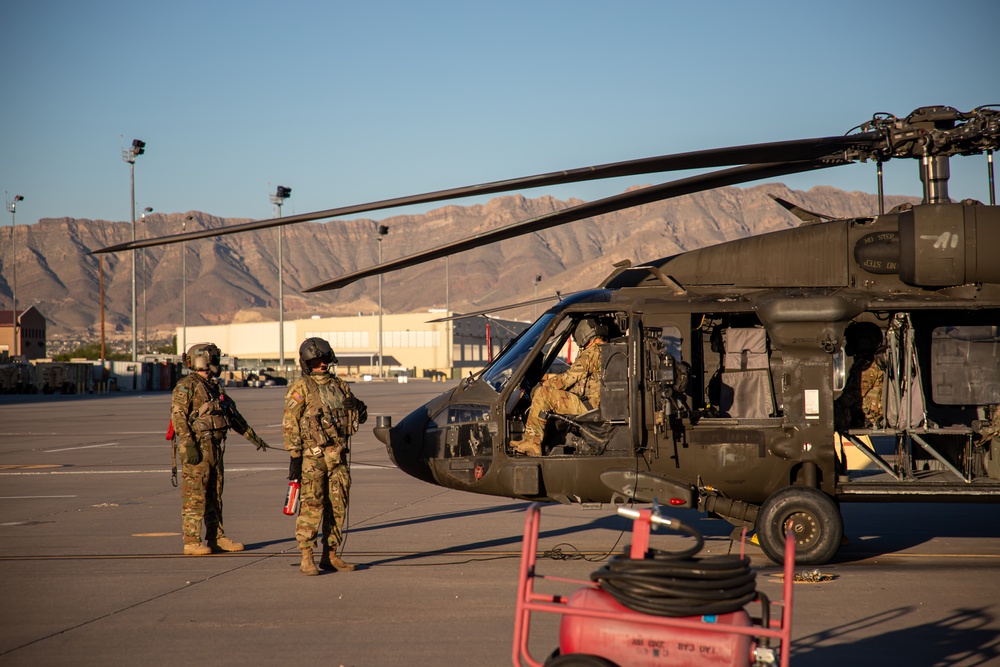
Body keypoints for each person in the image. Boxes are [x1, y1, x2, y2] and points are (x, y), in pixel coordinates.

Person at [171, 342, 269, 556]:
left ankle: (216, 537)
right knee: (195, 496)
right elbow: (178, 417)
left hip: (214, 448)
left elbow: (232, 414)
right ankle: (191, 541)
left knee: (215, 493)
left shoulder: (214, 387)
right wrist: (188, 445)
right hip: (197, 447)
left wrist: (252, 437)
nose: (217, 362)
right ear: (203, 360)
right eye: (214, 358)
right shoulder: (186, 385)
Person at [283, 337, 368, 575]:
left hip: (338, 456)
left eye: (323, 359)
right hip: (313, 458)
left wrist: (359, 407)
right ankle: (306, 557)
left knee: (338, 505)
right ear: (307, 363)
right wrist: (295, 455)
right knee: (312, 505)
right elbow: (290, 422)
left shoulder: (340, 385)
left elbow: (358, 416)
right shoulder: (301, 387)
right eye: (316, 360)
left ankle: (330, 555)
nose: (321, 364)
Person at [511, 318, 606, 456]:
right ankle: (530, 439)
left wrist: (544, 385)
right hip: (595, 403)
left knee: (543, 394)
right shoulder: (606, 350)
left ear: (583, 333)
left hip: (589, 406)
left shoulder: (592, 353)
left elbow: (569, 378)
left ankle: (532, 442)